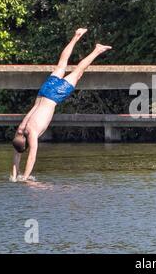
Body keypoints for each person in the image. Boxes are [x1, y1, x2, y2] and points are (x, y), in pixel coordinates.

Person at [10, 28, 112, 182]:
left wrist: (24, 177)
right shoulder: (20, 131)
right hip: (43, 92)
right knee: (61, 65)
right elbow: (16, 154)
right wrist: (14, 175)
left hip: (53, 96)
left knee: (78, 72)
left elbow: (31, 157)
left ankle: (97, 50)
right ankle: (76, 36)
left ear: (26, 142)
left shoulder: (31, 133)